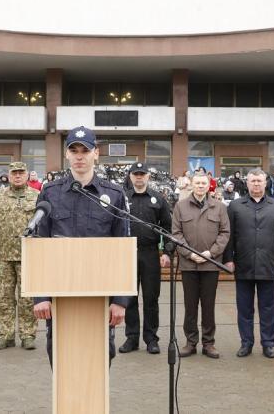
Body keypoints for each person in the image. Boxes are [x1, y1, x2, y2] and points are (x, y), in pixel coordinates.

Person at [32, 126, 129, 365]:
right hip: (60, 292)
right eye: (73, 150)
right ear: (66, 154)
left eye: (85, 151)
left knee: (100, 357)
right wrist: (40, 296)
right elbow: (39, 246)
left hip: (100, 292)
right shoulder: (50, 193)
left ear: (96, 153)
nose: (79, 156)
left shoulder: (114, 195)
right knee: (59, 356)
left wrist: (120, 299)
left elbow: (123, 250)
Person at [224, 169, 274, 359]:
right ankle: (246, 343)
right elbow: (229, 235)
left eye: (259, 181)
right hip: (243, 264)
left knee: (268, 308)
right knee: (244, 308)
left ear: (266, 183)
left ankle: (268, 344)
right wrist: (228, 259)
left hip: (268, 264)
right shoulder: (235, 206)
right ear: (247, 183)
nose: (256, 184)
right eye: (253, 181)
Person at [172, 171, 230, 359]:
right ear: (191, 184)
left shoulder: (219, 207)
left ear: (209, 185)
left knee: (208, 306)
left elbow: (224, 233)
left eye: (203, 183)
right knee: (190, 306)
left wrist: (210, 253)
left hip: (210, 265)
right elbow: (176, 233)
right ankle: (190, 342)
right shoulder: (180, 206)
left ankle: (208, 343)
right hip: (189, 265)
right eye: (197, 183)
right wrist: (190, 254)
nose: (200, 186)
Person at [119, 162, 174, 355]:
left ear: (148, 176)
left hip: (150, 254)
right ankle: (132, 338)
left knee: (151, 298)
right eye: (136, 174)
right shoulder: (122, 198)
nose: (139, 177)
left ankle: (151, 339)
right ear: (131, 176)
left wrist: (166, 252)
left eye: (142, 174)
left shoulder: (158, 199)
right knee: (130, 298)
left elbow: (167, 227)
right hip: (127, 253)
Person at [0, 162, 40, 350]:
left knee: (27, 299)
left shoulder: (37, 196)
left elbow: (44, 223)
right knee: (4, 298)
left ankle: (27, 335)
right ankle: (6, 335)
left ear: (27, 175)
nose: (17, 176)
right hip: (4, 256)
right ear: (9, 176)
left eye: (21, 173)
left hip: (29, 256)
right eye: (14, 173)